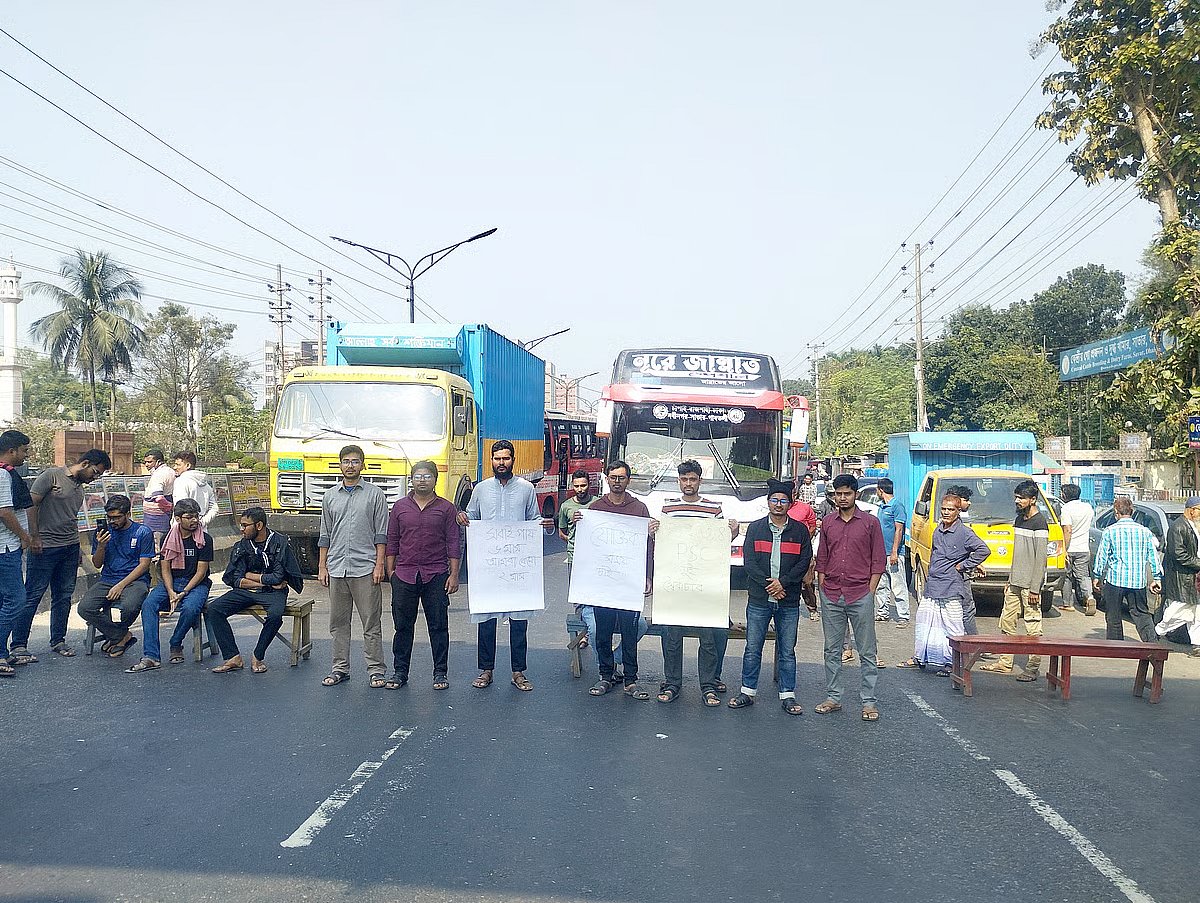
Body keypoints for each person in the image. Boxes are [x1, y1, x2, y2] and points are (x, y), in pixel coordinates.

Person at [457, 440, 549, 692]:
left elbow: (534, 518)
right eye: (497, 459)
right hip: (490, 566)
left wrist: (542, 524)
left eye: (506, 458)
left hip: (517, 566)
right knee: (487, 618)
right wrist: (462, 517)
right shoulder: (481, 489)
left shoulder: (526, 488)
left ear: (513, 459)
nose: (501, 463)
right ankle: (486, 670)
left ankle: (518, 672)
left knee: (519, 620)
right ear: (491, 460)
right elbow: (471, 516)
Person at [657, 460, 739, 706]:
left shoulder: (714, 509)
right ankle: (672, 683)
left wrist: (732, 531)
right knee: (671, 636)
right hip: (675, 584)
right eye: (684, 479)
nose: (688, 483)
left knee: (708, 637)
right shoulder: (668, 509)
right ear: (678, 481)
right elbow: (661, 542)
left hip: (703, 585)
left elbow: (723, 541)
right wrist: (655, 530)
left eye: (692, 479)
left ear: (700, 480)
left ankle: (708, 685)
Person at [17, 448, 112, 661]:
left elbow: (71, 519)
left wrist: (77, 547)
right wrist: (34, 537)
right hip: (45, 547)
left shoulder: (80, 489)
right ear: (85, 463)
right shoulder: (51, 476)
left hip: (68, 547)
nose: (95, 478)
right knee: (33, 595)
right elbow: (30, 505)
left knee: (63, 597)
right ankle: (19, 645)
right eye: (95, 472)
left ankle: (58, 640)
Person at [728, 478, 811, 714]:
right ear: (768, 502)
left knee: (787, 649)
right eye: (774, 500)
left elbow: (804, 561)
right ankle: (747, 692)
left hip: (789, 599)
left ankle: (788, 695)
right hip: (759, 599)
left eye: (783, 500)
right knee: (753, 647)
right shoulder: (755, 528)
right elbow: (750, 563)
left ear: (789, 503)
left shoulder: (800, 531)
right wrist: (771, 585)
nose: (778, 504)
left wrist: (782, 583)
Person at [579, 459, 655, 700]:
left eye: (622, 477)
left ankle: (631, 680)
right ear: (607, 479)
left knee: (629, 631)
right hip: (603, 583)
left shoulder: (639, 508)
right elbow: (588, 546)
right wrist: (580, 525)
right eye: (613, 477)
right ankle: (605, 675)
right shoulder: (596, 508)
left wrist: (647, 576)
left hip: (628, 582)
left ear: (628, 480)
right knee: (602, 632)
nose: (617, 482)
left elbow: (647, 545)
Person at [814, 474, 886, 721]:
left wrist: (871, 589)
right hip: (832, 593)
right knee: (831, 650)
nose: (842, 498)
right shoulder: (828, 523)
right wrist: (822, 585)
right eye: (838, 494)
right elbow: (821, 557)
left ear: (855, 494)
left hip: (860, 593)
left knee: (867, 650)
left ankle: (869, 702)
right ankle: (833, 697)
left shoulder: (870, 523)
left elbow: (879, 559)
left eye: (847, 493)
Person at [385, 459, 461, 689]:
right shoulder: (400, 507)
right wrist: (391, 572)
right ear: (411, 479)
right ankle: (400, 672)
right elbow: (393, 540)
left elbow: (454, 542)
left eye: (427, 476)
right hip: (405, 575)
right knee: (403, 627)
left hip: (436, 574)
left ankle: (440, 672)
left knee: (438, 626)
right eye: (418, 476)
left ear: (435, 480)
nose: (422, 480)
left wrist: (454, 574)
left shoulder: (446, 508)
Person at [318, 445, 388, 688]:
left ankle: (376, 670)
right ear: (340, 464)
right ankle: (340, 669)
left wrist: (379, 566)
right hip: (336, 567)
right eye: (346, 461)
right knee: (338, 623)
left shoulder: (375, 495)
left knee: (371, 623)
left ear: (362, 465)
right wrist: (322, 566)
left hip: (365, 568)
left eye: (355, 461)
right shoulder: (330, 496)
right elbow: (324, 534)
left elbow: (381, 535)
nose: (350, 465)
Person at [897, 491, 988, 674]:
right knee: (926, 623)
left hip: (951, 587)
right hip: (933, 586)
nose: (946, 512)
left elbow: (983, 550)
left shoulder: (964, 533)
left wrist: (964, 565)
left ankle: (952, 664)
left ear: (958, 511)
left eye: (951, 509)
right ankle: (920, 657)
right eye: (944, 509)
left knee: (953, 626)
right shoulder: (938, 530)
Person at [208, 507, 304, 674]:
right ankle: (232, 657)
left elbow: (278, 577)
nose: (242, 529)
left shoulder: (279, 543)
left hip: (274, 594)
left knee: (275, 616)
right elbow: (235, 579)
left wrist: (251, 576)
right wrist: (262, 583)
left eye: (245, 525)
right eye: (241, 525)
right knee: (214, 609)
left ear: (259, 525)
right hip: (249, 592)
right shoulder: (242, 545)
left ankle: (258, 656)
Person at [125, 499, 212, 672]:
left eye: (196, 516)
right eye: (189, 517)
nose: (194, 520)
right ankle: (151, 656)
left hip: (196, 584)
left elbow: (201, 571)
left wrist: (184, 592)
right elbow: (165, 568)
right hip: (171, 582)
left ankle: (176, 642)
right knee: (149, 605)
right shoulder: (168, 537)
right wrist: (171, 591)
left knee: (191, 608)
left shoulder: (205, 539)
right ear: (178, 519)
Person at [981, 480, 1051, 680]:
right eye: (1016, 497)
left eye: (1021, 498)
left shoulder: (1040, 523)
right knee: (1007, 621)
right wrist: (1010, 580)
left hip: (1030, 586)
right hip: (1015, 582)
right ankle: (1005, 662)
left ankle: (1032, 667)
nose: (1017, 501)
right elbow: (1017, 554)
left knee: (1032, 626)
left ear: (1033, 499)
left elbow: (1041, 559)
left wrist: (1035, 588)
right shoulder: (1019, 520)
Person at [76, 494, 155, 659]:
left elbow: (144, 565)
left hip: (135, 579)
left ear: (128, 514)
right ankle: (120, 636)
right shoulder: (103, 532)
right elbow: (97, 564)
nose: (113, 522)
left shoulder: (142, 532)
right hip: (108, 578)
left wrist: (121, 585)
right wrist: (101, 546)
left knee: (130, 606)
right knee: (85, 607)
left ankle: (116, 636)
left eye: (117, 517)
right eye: (110, 518)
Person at [1089, 495, 1162, 644]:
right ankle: (1151, 643)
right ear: (1132, 511)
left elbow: (1102, 557)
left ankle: (1116, 646)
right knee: (1141, 613)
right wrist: (1157, 578)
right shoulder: (1145, 531)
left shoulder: (1110, 531)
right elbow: (1153, 556)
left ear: (1116, 512)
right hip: (1138, 581)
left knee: (1113, 615)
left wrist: (1097, 576)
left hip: (1115, 580)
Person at [0, 430, 33, 675]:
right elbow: (4, 511)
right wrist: (24, 536)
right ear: (12, 451)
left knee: (6, 601)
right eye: (24, 450)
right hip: (5, 547)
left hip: (8, 547)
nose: (26, 455)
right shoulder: (2, 474)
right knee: (16, 601)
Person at [1155, 495, 1200, 656]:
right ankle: (1158, 632)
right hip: (1183, 578)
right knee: (1177, 610)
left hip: (1193, 577)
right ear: (1191, 510)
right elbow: (1179, 554)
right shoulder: (1178, 527)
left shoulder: (1193, 526)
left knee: (1197, 612)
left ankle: (1197, 644)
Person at [559, 469, 597, 653]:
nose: (580, 489)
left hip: (595, 557)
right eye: (577, 486)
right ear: (572, 486)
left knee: (595, 596)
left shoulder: (598, 503)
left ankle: (592, 633)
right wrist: (574, 542)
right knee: (578, 598)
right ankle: (582, 634)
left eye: (583, 485)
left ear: (589, 485)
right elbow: (561, 533)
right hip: (575, 557)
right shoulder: (566, 507)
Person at [872, 478, 911, 627]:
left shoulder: (896, 506)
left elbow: (899, 529)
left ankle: (903, 616)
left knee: (898, 586)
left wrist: (894, 551)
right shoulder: (882, 507)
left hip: (893, 554)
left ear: (881, 490)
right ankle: (882, 613)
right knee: (882, 585)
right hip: (881, 554)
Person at [1058, 483, 1095, 615]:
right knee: (1083, 576)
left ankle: (1068, 604)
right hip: (1084, 548)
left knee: (1067, 576)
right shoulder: (1088, 507)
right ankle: (1089, 597)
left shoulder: (1066, 509)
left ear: (1065, 495)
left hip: (1070, 548)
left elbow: (1067, 530)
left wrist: (1065, 549)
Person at [170, 451, 219, 528]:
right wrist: (201, 522)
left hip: (183, 532)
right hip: (201, 532)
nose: (174, 467)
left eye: (178, 465)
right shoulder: (206, 485)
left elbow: (181, 508)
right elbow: (214, 508)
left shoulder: (181, 481)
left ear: (188, 465)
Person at [140, 448, 176, 546]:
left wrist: (169, 506)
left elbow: (158, 497)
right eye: (145, 462)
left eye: (150, 462)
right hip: (161, 519)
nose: (147, 465)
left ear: (158, 462)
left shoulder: (159, 474)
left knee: (157, 549)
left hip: (156, 521)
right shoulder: (169, 471)